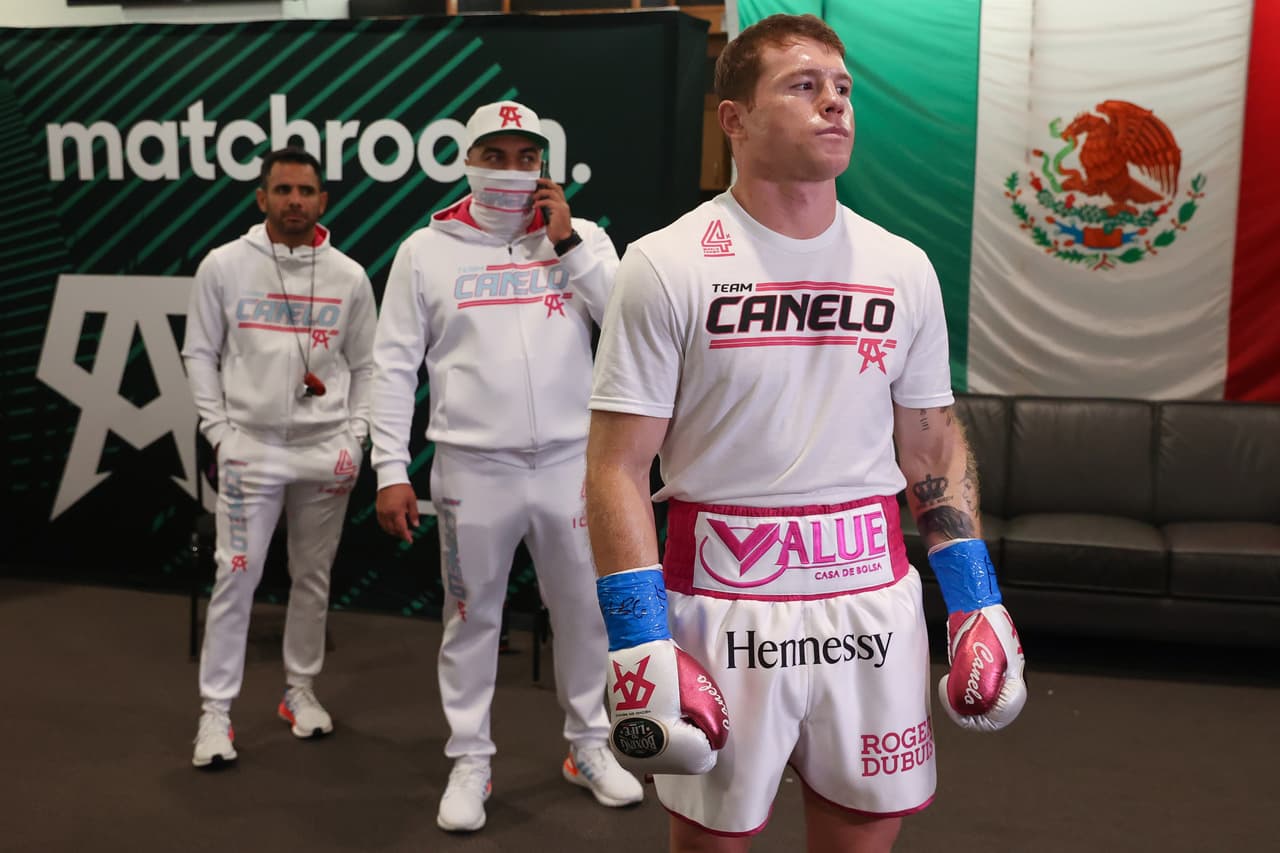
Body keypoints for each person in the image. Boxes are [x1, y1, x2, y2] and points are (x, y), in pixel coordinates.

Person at [585, 14, 1027, 852]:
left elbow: (931, 444)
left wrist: (976, 598)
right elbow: (615, 465)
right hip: (722, 602)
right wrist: (638, 637)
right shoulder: (665, 264)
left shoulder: (902, 266)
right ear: (734, 119)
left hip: (870, 597)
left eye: (844, 88)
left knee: (863, 834)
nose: (835, 103)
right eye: (803, 85)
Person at [369, 100, 643, 832]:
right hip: (470, 469)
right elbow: (392, 366)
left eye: (527, 158)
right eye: (496, 156)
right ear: (468, 162)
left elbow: (627, 327)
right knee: (470, 615)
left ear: (544, 169)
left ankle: (588, 744)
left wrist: (569, 244)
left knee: (583, 610)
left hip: (567, 463)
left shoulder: (585, 239)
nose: (512, 171)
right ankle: (470, 758)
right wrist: (388, 466)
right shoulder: (426, 251)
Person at [182, 147, 376, 768]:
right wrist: (219, 433)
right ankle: (215, 715)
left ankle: (300, 691)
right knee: (234, 577)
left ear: (323, 200)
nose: (295, 200)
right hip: (251, 452)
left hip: (326, 455)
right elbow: (198, 352)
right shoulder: (223, 267)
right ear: (261, 198)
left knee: (312, 579)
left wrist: (358, 437)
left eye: (307, 190)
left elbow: (368, 365)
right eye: (283, 189)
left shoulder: (347, 275)